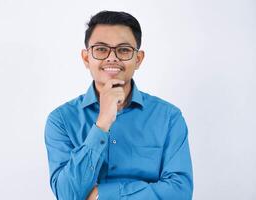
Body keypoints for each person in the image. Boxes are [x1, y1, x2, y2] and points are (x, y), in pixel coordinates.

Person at [44, 10, 193, 200]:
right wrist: (102, 123)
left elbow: (180, 192)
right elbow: (67, 195)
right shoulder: (61, 120)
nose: (112, 58)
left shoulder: (169, 117)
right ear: (86, 58)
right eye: (101, 49)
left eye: (123, 50)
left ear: (138, 59)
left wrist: (104, 195)